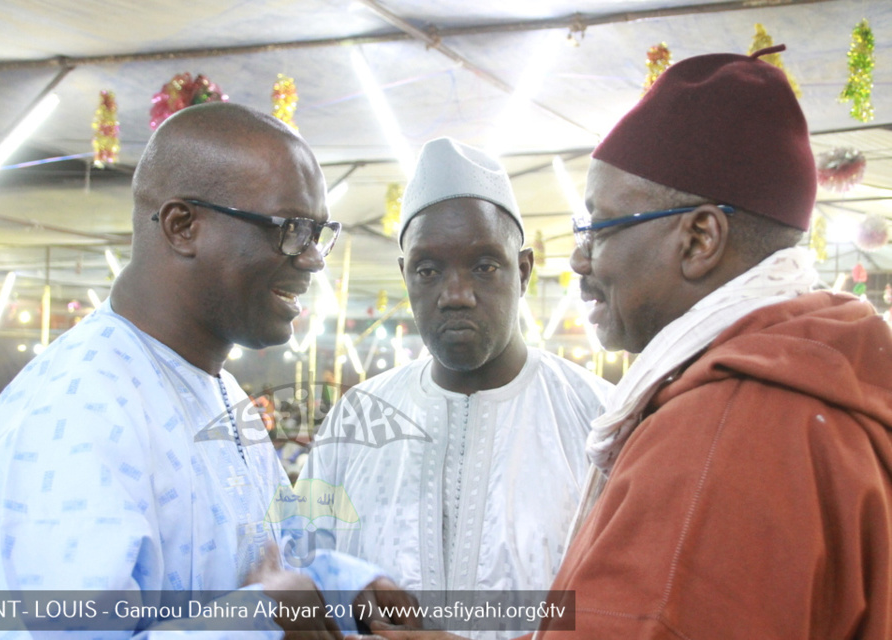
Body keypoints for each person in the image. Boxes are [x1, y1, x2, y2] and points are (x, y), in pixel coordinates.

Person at [377, 46, 892, 640]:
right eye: (426, 271)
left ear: (699, 238)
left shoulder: (727, 429)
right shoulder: (818, 380)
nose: (578, 257)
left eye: (600, 226)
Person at [0, 102, 415, 638]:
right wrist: (266, 622)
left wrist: (353, 589)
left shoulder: (223, 394)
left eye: (319, 233)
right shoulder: (73, 409)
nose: (313, 259)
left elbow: (273, 558)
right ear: (183, 226)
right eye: (292, 229)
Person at [299, 138, 610, 599]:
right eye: (428, 270)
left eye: (485, 266)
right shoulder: (357, 419)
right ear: (406, 275)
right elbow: (305, 575)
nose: (456, 294)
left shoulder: (601, 421)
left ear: (523, 272)